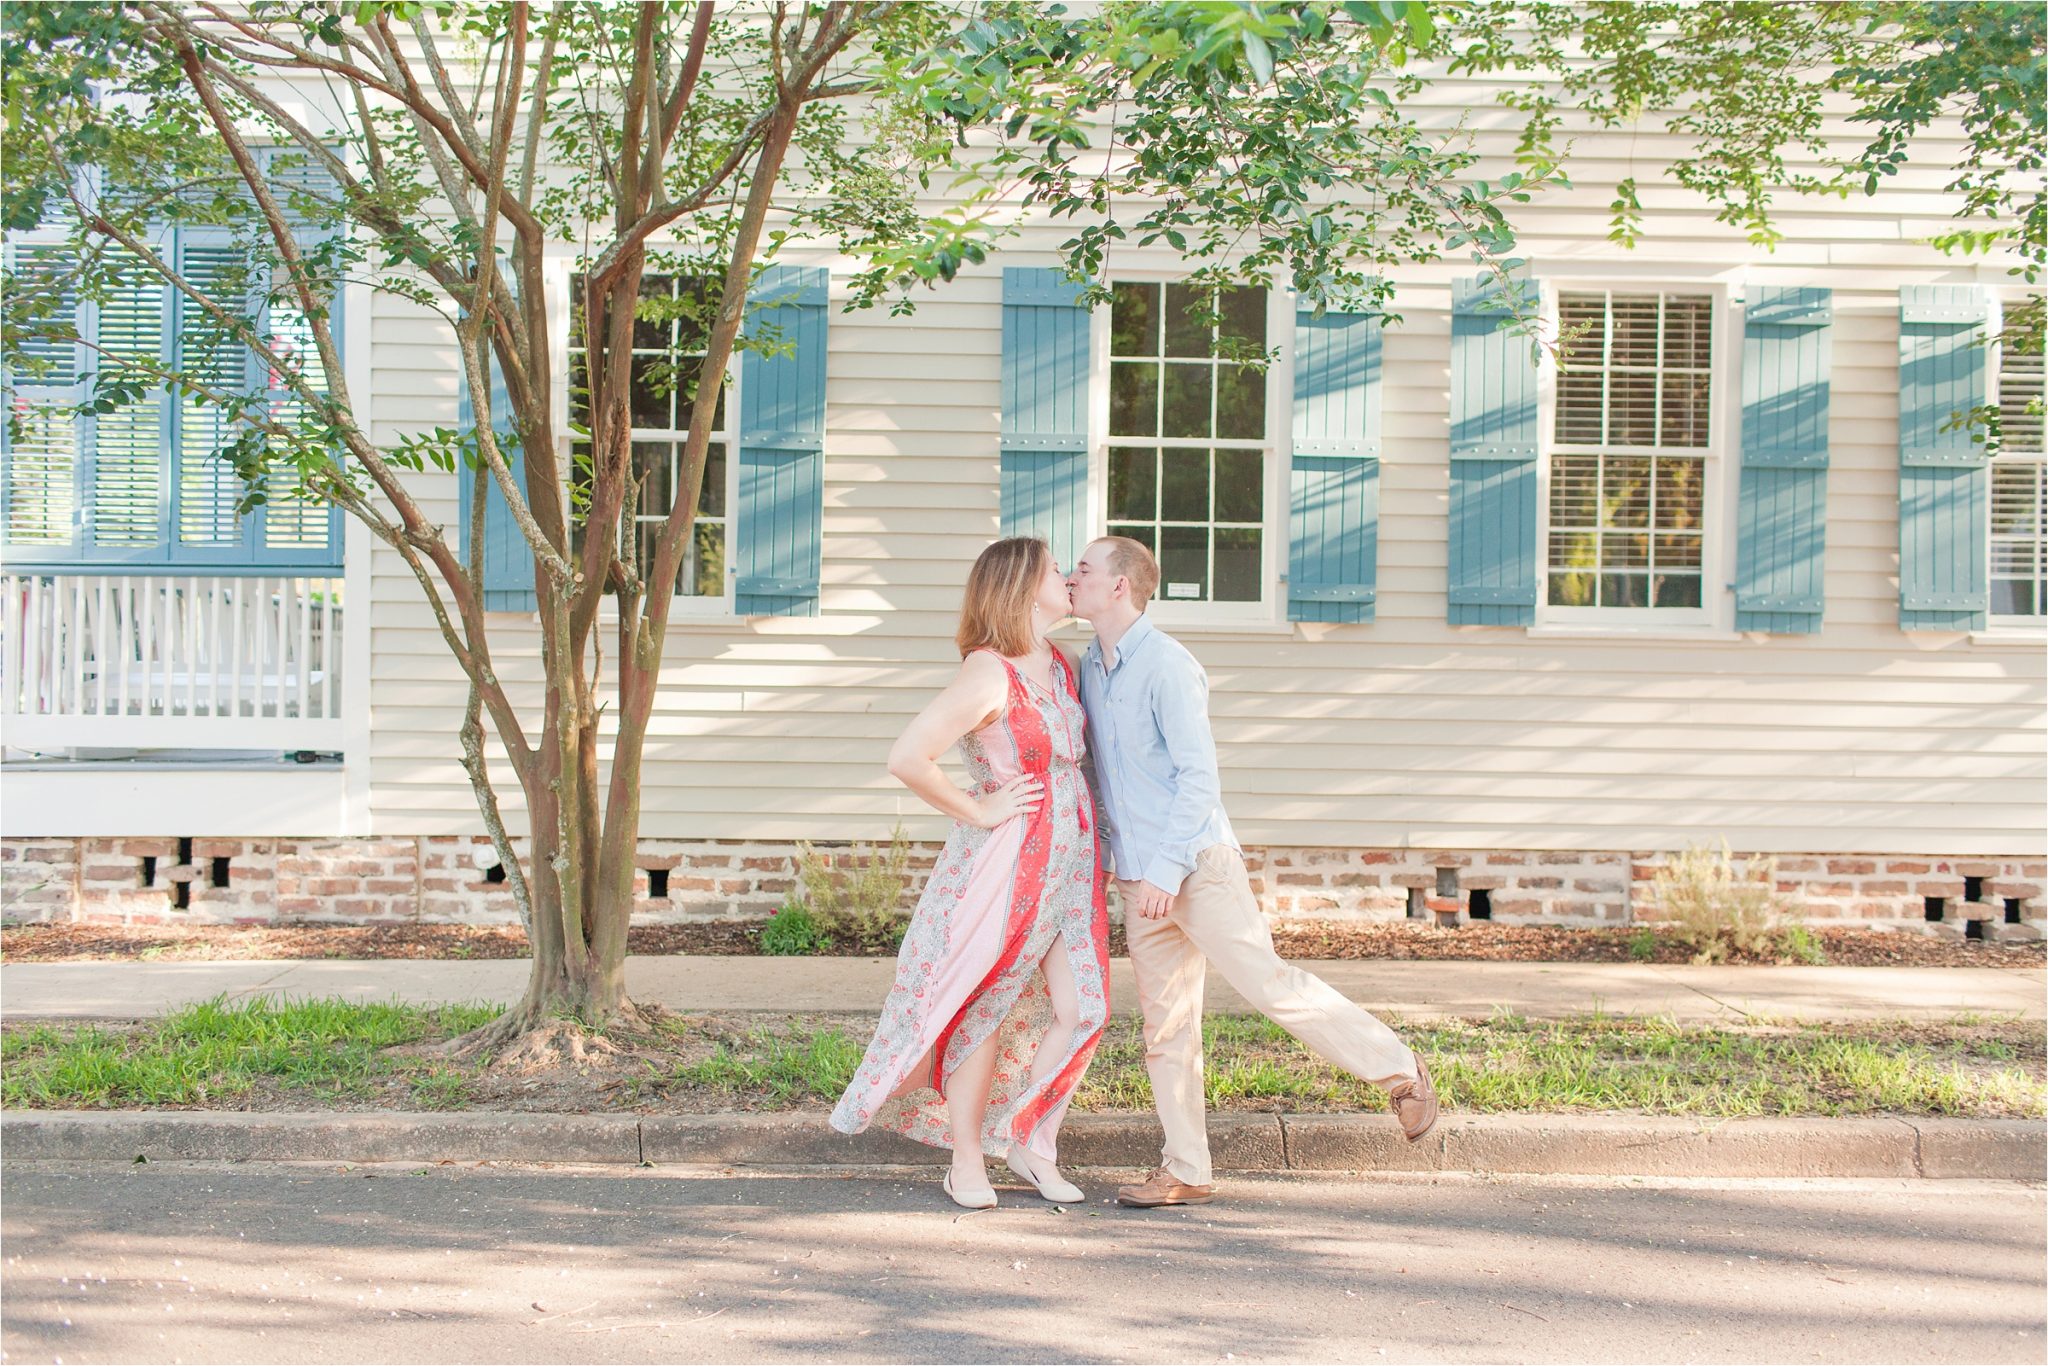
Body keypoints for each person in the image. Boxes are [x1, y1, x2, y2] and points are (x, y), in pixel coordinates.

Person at [1066, 535, 1439, 1209]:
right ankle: (1186, 1167)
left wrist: (1165, 868)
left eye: (1084, 569)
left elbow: (1198, 779)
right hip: (1137, 877)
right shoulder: (1090, 666)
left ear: (1120, 585)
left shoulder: (1169, 667)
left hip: (1195, 867)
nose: (1071, 578)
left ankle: (1400, 1070)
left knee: (1272, 985)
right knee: (1166, 1029)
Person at [830, 537, 1111, 1209]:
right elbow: (908, 756)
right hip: (1007, 867)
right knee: (982, 1007)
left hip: (1074, 862)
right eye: (1054, 571)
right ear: (1020, 587)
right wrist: (980, 809)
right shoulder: (988, 674)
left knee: (1085, 1009)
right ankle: (966, 1163)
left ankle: (1028, 1142)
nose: (1069, 579)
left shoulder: (1061, 663)